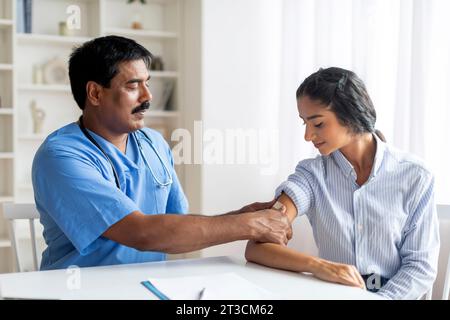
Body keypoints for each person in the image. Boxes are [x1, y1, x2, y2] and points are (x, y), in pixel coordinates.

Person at [32, 35, 292, 270]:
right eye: (133, 86)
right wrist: (249, 225)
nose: (148, 96)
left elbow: (173, 226)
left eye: (147, 83)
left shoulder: (153, 143)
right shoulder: (61, 156)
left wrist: (242, 216)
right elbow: (142, 233)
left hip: (146, 288)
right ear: (96, 93)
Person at [245, 67, 440, 300]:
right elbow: (257, 247)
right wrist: (319, 266)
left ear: (350, 114)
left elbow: (420, 266)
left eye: (317, 124)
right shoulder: (312, 175)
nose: (307, 136)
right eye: (304, 124)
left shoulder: (416, 176)